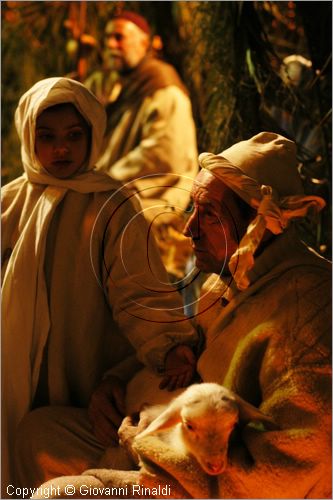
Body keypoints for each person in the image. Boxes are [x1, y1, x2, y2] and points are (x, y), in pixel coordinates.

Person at [30, 132, 331, 499]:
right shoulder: (230, 280)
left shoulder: (307, 311)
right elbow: (186, 352)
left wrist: (149, 445)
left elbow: (296, 461)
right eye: (193, 210)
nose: (189, 230)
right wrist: (115, 382)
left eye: (209, 215)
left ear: (258, 223)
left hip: (204, 476)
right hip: (164, 436)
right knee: (37, 434)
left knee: (58, 495)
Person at [1, 76, 199, 495]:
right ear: (27, 136)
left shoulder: (112, 204)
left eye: (74, 136)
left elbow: (138, 288)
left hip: (85, 364)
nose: (61, 149)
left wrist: (167, 344)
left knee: (56, 456)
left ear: (93, 136)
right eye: (47, 136)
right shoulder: (10, 203)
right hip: (15, 364)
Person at [85, 10, 198, 281]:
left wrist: (102, 181)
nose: (110, 44)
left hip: (148, 222)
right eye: (107, 38)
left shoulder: (162, 86)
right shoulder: (109, 85)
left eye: (119, 37)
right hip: (114, 218)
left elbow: (162, 153)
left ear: (144, 43)